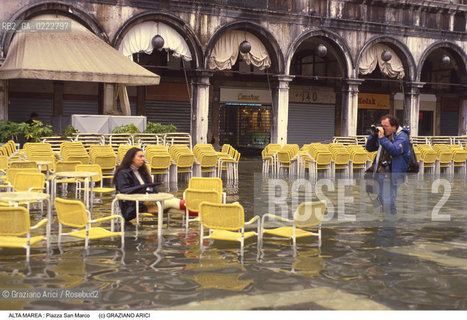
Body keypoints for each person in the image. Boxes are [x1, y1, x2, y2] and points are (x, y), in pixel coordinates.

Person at [113, 147, 185, 224]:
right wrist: (144, 187)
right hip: (134, 205)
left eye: (143, 156)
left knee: (174, 208)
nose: (143, 159)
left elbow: (148, 188)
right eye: (140, 156)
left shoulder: (141, 171)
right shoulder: (123, 173)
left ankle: (197, 212)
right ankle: (194, 206)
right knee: (171, 202)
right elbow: (124, 190)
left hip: (148, 201)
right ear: (131, 158)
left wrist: (158, 194)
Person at [365, 114, 411, 215]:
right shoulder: (384, 136)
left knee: (388, 202)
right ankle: (388, 225)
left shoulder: (402, 137)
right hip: (380, 172)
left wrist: (382, 138)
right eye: (382, 126)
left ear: (394, 127)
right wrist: (373, 135)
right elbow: (369, 148)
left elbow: (395, 150)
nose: (383, 128)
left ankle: (389, 227)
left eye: (386, 126)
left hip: (392, 174)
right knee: (383, 199)